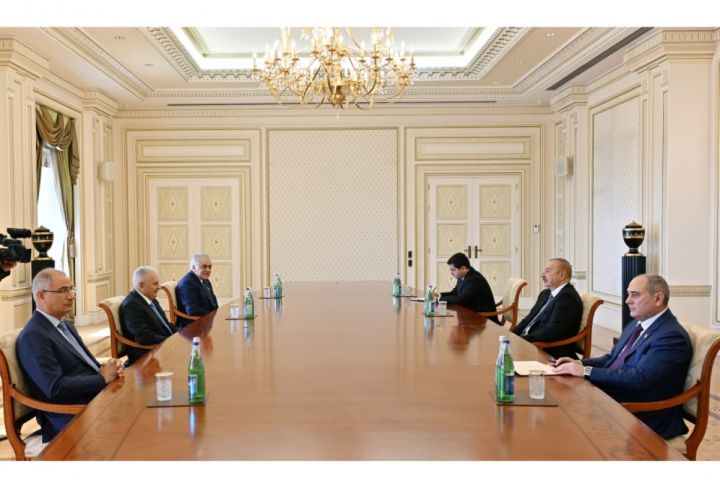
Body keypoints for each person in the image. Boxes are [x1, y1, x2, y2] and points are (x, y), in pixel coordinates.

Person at [553, 274, 691, 440]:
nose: (627, 301)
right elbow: (611, 359)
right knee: (556, 403)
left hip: (642, 417)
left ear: (658, 298)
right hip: (613, 400)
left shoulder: (670, 337)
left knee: (563, 424)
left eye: (635, 295)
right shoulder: (637, 324)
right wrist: (578, 363)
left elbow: (640, 379)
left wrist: (586, 371)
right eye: (628, 294)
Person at [16, 268, 124, 444]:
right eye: (63, 291)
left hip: (95, 400)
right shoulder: (34, 335)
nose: (71, 296)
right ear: (41, 296)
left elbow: (86, 365)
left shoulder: (65, 325)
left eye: (71, 289)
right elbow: (54, 388)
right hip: (70, 417)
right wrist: (102, 379)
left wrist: (109, 368)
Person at [512, 258, 583, 359]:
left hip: (549, 352)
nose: (542, 275)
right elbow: (528, 319)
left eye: (548, 271)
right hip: (531, 344)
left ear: (561, 275)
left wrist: (521, 341)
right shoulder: (545, 294)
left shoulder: (568, 298)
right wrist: (511, 336)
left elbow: (551, 331)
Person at [119, 266, 177, 365]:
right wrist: (170, 341)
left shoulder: (151, 299)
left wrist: (180, 335)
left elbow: (165, 324)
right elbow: (143, 336)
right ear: (141, 285)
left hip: (163, 348)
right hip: (147, 356)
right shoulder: (131, 305)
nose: (159, 286)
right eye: (155, 284)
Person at [439, 252, 497, 323]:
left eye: (453, 270)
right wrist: (439, 295)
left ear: (463, 268)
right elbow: (455, 293)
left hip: (484, 319)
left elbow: (460, 300)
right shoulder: (463, 276)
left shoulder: (474, 279)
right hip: (472, 314)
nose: (451, 273)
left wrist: (439, 299)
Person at [175, 253, 218, 328]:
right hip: (192, 326)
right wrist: (214, 315)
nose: (208, 270)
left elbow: (213, 303)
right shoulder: (187, 283)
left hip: (206, 322)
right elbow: (193, 310)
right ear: (194, 267)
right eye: (204, 267)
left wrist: (218, 314)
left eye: (210, 267)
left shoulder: (205, 281)